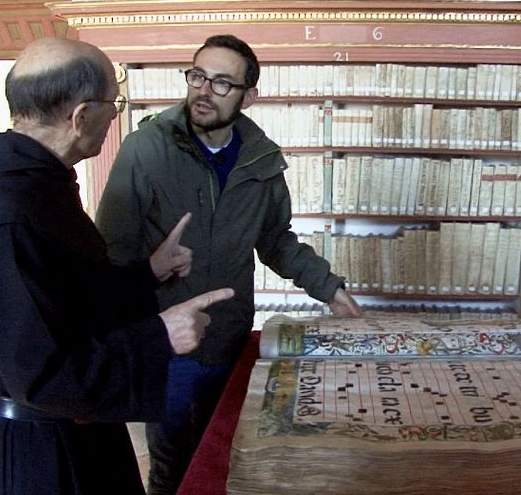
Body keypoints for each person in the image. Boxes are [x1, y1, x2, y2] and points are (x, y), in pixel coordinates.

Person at [0, 37, 234, 495]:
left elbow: (63, 300)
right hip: (36, 454)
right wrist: (158, 335)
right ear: (82, 116)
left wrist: (147, 272)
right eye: (114, 104)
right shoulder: (8, 215)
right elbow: (40, 373)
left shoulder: (34, 186)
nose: (115, 116)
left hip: (61, 431)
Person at [95, 34, 362, 494]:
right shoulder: (145, 148)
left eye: (222, 83)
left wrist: (332, 291)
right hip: (166, 342)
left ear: (248, 96)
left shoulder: (262, 161)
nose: (204, 90)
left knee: (224, 458)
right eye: (197, 76)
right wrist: (147, 281)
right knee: (170, 463)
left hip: (230, 341)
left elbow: (276, 241)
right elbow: (113, 251)